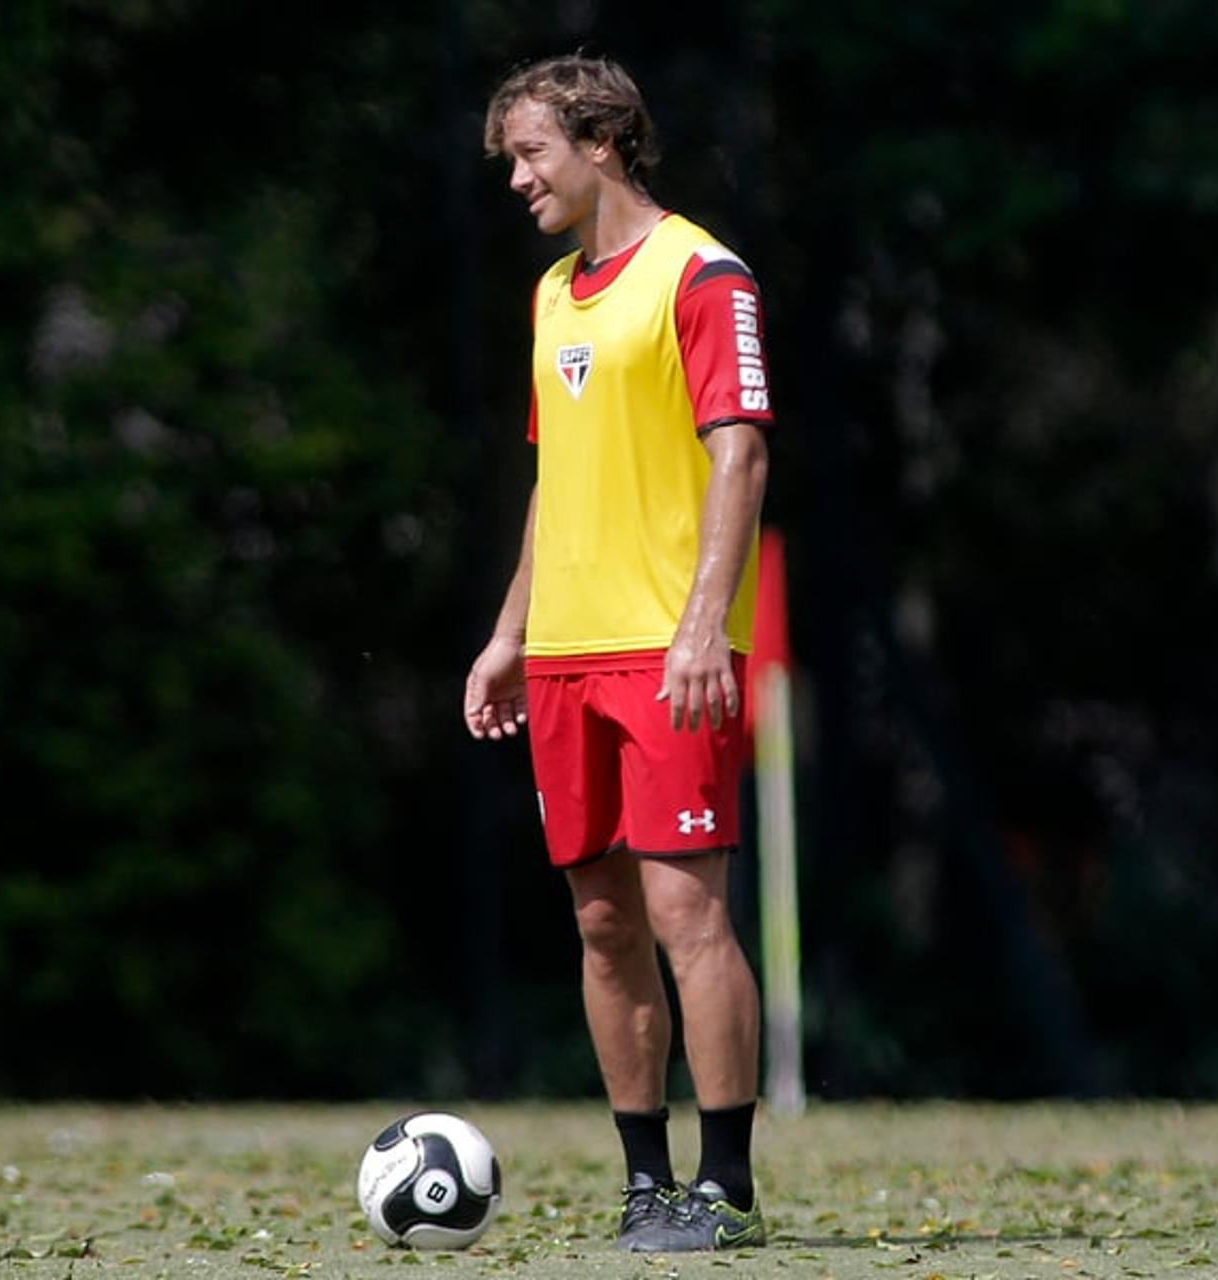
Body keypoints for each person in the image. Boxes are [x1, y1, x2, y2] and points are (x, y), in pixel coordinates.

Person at [462, 54, 775, 1253]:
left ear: (601, 143)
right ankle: (646, 1182)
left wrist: (705, 620)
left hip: (667, 646)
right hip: (567, 659)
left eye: (532, 155)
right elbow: (558, 479)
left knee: (688, 913)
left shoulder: (703, 274)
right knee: (603, 921)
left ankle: (727, 1186)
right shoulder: (551, 294)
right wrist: (508, 634)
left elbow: (739, 453)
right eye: (509, 163)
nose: (519, 180)